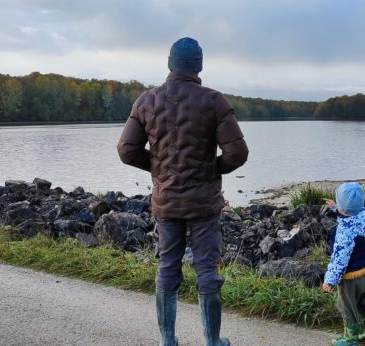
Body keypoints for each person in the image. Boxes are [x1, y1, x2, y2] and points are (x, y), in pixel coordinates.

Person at [117, 37, 248, 346]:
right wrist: (211, 169)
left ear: (170, 64)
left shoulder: (147, 101)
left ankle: (168, 341)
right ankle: (213, 342)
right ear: (199, 66)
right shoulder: (214, 100)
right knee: (207, 271)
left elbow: (126, 150)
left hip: (167, 203)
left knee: (167, 268)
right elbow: (237, 153)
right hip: (204, 204)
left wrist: (159, 168)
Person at [322, 182, 365, 346]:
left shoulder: (344, 232)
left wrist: (330, 280)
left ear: (343, 207)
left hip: (349, 277)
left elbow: (339, 259)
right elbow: (351, 215)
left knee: (347, 307)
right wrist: (336, 208)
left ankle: (350, 338)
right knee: (363, 303)